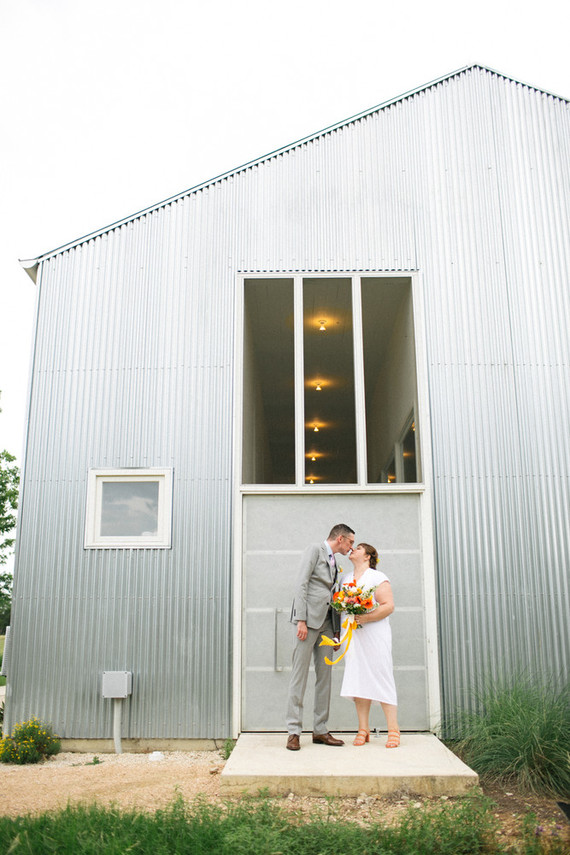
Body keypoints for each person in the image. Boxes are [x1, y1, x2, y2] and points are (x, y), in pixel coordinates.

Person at [285, 523, 355, 751]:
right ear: (341, 538)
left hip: (327, 624)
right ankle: (294, 731)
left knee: (325, 678)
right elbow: (301, 584)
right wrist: (301, 620)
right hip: (308, 622)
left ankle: (320, 730)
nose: (351, 547)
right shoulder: (314, 550)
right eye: (350, 542)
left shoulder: (336, 562)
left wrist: (336, 631)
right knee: (299, 676)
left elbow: (333, 595)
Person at [339, 542, 400, 748]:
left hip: (374, 634)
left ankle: (393, 729)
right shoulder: (346, 579)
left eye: (358, 548)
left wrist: (366, 618)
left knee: (382, 676)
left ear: (367, 556)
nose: (352, 550)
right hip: (354, 636)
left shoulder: (377, 577)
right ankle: (362, 729)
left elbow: (388, 606)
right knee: (358, 678)